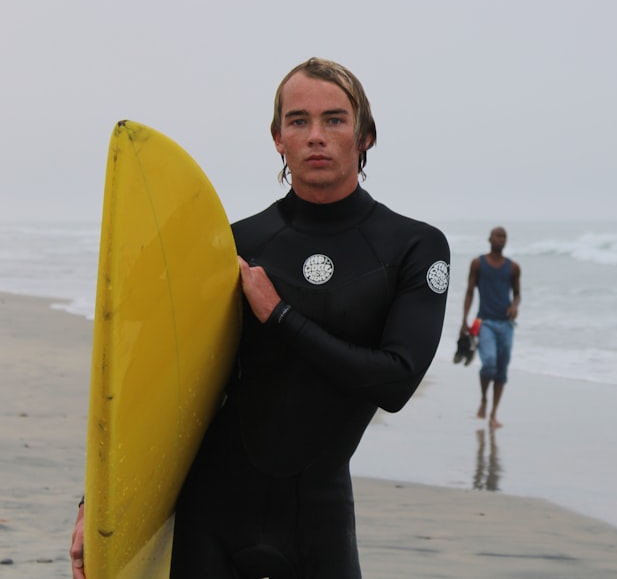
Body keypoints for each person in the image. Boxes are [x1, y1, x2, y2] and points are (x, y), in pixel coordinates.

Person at [70, 57, 451, 578]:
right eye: (298, 121)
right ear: (278, 138)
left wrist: (279, 314)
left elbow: (395, 381)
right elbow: (150, 381)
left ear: (365, 137)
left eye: (335, 120)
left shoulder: (413, 248)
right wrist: (95, 505)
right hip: (212, 512)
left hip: (318, 516)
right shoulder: (234, 245)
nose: (316, 135)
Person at [461, 226, 521, 429]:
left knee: (502, 371)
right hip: (483, 322)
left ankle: (494, 413)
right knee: (489, 363)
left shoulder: (513, 268)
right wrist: (464, 320)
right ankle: (483, 399)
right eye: (498, 235)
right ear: (489, 238)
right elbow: (469, 292)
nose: (501, 239)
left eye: (504, 236)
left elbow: (517, 294)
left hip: (506, 325)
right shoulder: (478, 264)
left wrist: (514, 306)